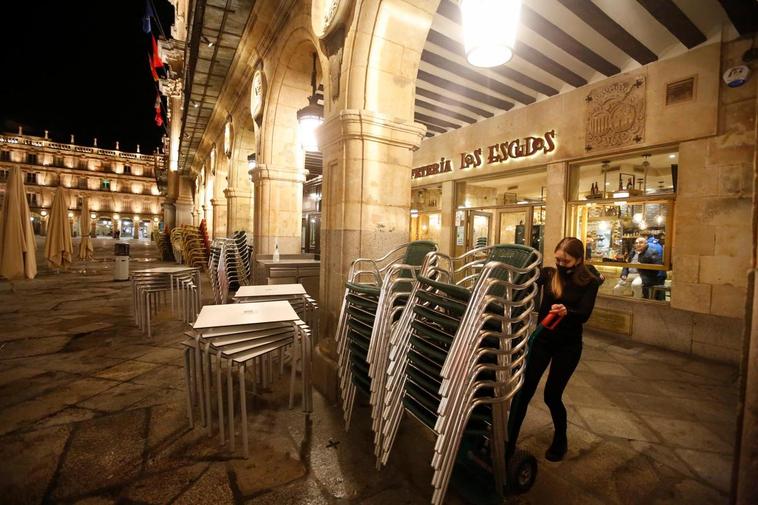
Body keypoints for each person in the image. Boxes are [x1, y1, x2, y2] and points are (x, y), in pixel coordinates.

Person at [507, 237, 602, 462]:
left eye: (566, 260)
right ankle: (508, 441)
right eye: (558, 259)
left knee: (552, 395)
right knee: (523, 392)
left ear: (578, 259)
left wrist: (567, 310)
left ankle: (561, 439)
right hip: (542, 341)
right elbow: (524, 280)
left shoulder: (589, 281)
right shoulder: (550, 275)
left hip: (568, 346)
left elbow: (585, 313)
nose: (560, 264)